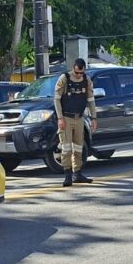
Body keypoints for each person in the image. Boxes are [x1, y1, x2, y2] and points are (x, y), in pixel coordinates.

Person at [54, 58, 97, 187]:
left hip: (79, 118)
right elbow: (56, 99)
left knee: (79, 147)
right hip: (66, 118)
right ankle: (67, 175)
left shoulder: (86, 80)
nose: (79, 75)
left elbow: (91, 100)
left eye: (81, 73)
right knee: (66, 147)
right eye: (77, 72)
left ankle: (77, 173)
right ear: (74, 68)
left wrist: (94, 118)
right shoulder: (64, 78)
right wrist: (60, 118)